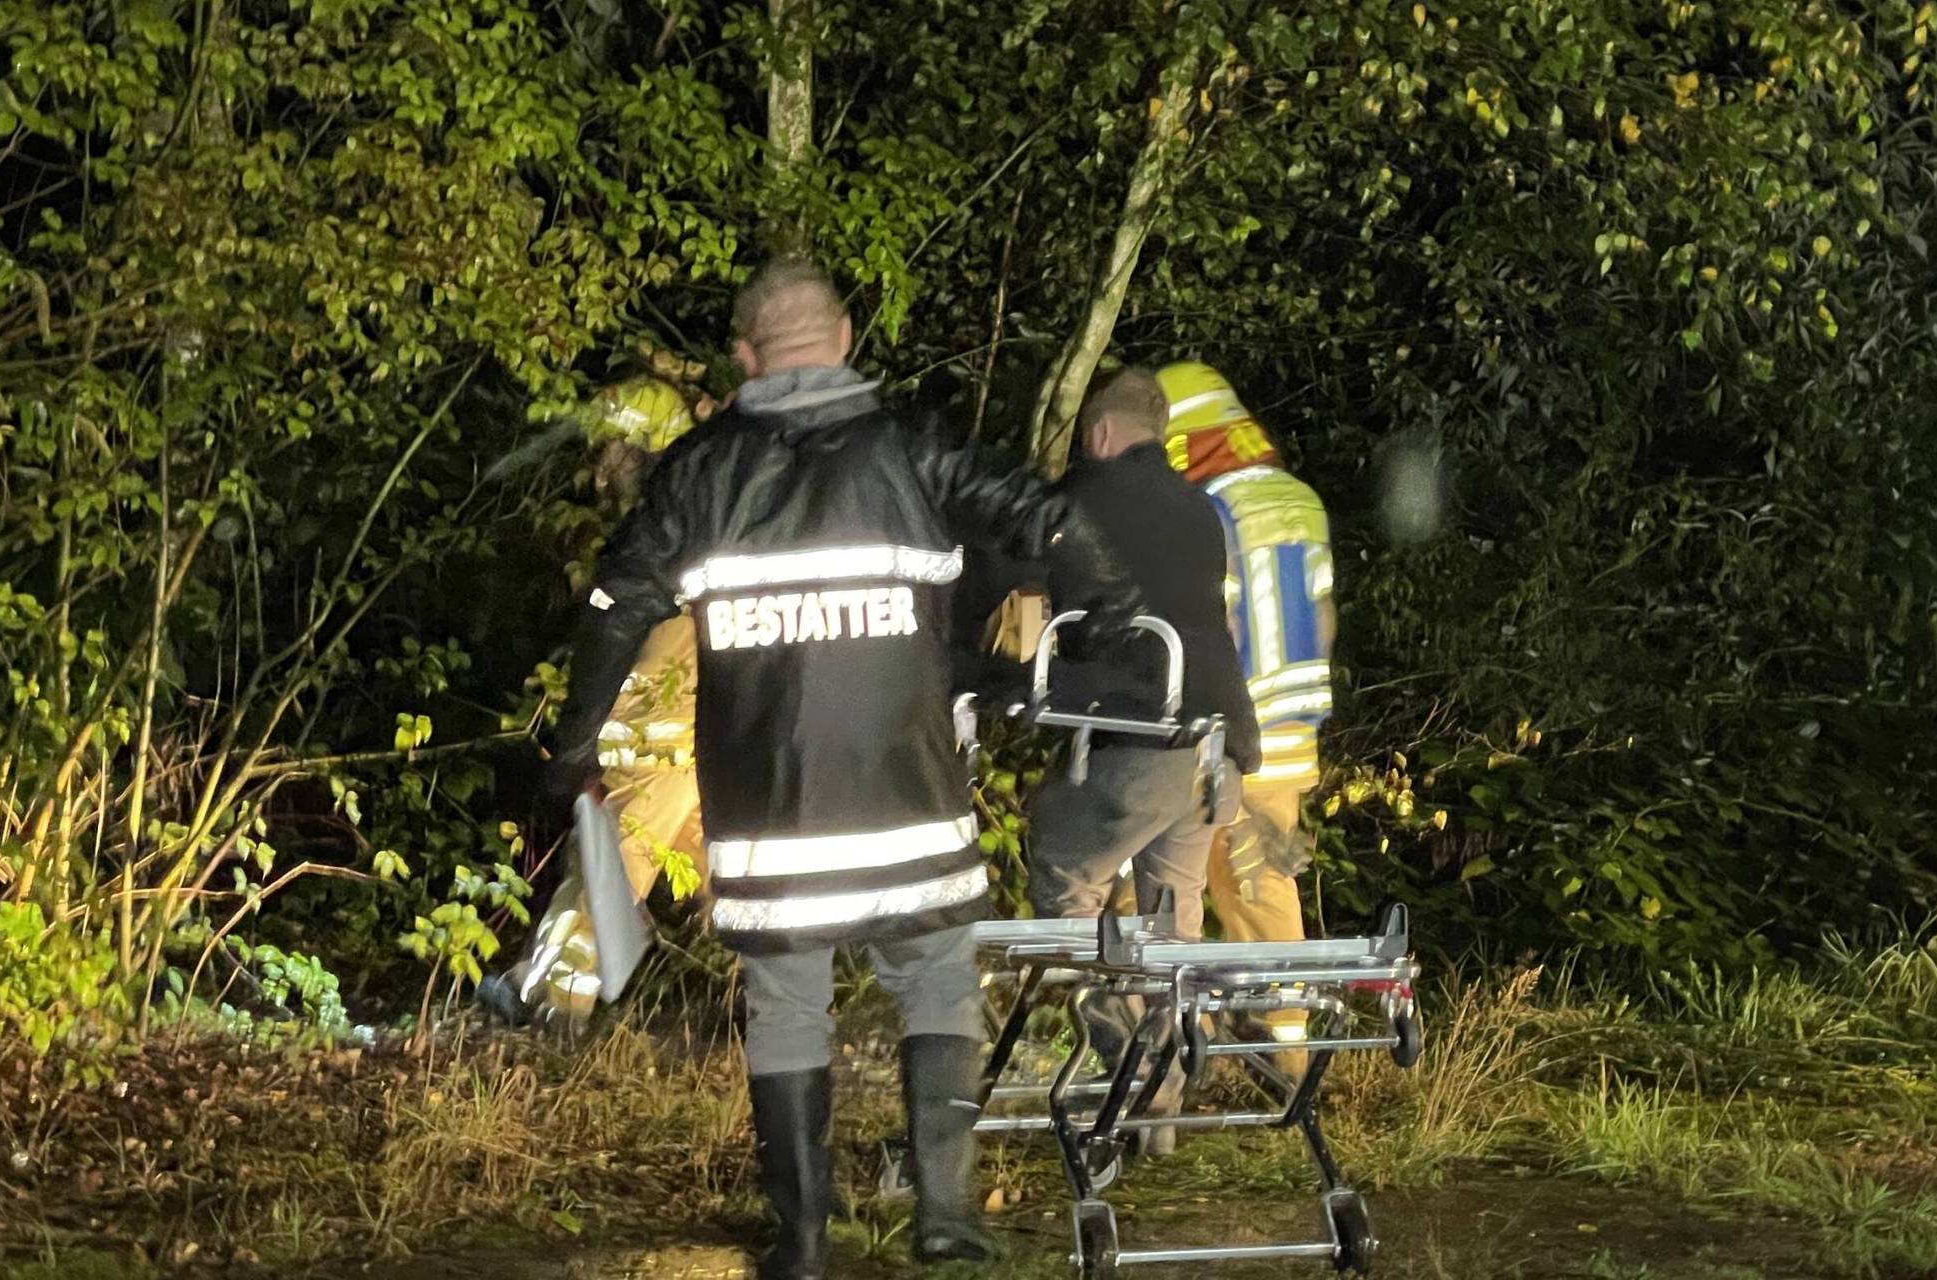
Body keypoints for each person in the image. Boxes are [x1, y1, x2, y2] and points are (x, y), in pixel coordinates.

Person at [531, 261, 1141, 1280]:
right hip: (911, 803)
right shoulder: (914, 445)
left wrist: (576, 745)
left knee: (786, 1003)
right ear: (847, 335)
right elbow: (1052, 520)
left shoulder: (698, 469)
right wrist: (1117, 618)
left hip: (775, 813)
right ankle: (946, 1216)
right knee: (940, 986)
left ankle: (803, 1239)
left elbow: (616, 605)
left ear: (743, 356)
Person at [483, 374, 706, 1029]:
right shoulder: (705, 502)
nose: (601, 464)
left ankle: (549, 995)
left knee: (620, 842)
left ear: (641, 444)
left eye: (612, 446)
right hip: (718, 708)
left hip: (671, 703)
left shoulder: (667, 518)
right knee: (728, 861)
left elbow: (621, 622)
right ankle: (785, 990)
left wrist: (579, 742)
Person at [1021, 369, 1263, 942]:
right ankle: (1170, 1032)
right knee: (1173, 922)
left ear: (1100, 434)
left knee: (1066, 874)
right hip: (1216, 748)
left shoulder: (1075, 503)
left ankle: (1107, 1026)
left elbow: (1018, 605)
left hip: (1138, 742)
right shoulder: (1201, 511)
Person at [1155, 362, 1337, 1046]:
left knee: (1181, 881)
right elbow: (1322, 614)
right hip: (1294, 727)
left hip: (1228, 732)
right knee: (1259, 886)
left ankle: (1199, 1044)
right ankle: (1277, 1042)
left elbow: (1217, 624)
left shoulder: (1205, 509)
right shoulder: (1300, 498)